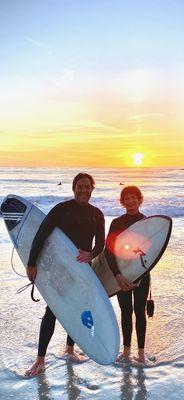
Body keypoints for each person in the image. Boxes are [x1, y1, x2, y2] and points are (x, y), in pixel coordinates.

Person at [25, 173, 105, 376]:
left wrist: (91, 254)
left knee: (77, 308)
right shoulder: (61, 210)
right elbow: (41, 233)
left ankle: (70, 349)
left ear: (92, 189)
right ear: (74, 188)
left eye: (87, 187)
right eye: (80, 186)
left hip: (82, 270)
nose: (84, 190)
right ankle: (40, 359)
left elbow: (101, 244)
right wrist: (32, 263)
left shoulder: (97, 214)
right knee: (52, 311)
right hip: (59, 270)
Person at [105, 185, 150, 364]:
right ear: (122, 202)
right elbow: (109, 252)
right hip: (121, 276)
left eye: (134, 197)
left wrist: (139, 275)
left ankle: (140, 354)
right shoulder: (117, 223)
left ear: (140, 199)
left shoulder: (147, 223)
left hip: (142, 276)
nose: (131, 201)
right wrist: (118, 275)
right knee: (126, 311)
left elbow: (150, 252)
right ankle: (126, 352)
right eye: (127, 198)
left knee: (140, 311)